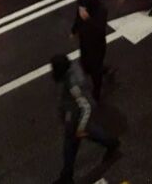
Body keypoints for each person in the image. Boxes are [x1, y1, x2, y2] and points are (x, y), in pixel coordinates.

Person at [50, 53, 120, 184]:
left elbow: (86, 107)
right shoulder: (73, 70)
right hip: (75, 115)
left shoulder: (74, 86)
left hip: (78, 117)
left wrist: (80, 128)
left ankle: (67, 176)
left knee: (70, 145)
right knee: (89, 134)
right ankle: (111, 143)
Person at [70, 0, 109, 101]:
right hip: (85, 41)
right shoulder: (83, 7)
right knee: (85, 63)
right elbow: (77, 18)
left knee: (95, 69)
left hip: (96, 45)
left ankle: (97, 91)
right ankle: (101, 69)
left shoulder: (101, 11)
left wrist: (87, 19)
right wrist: (74, 30)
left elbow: (99, 30)